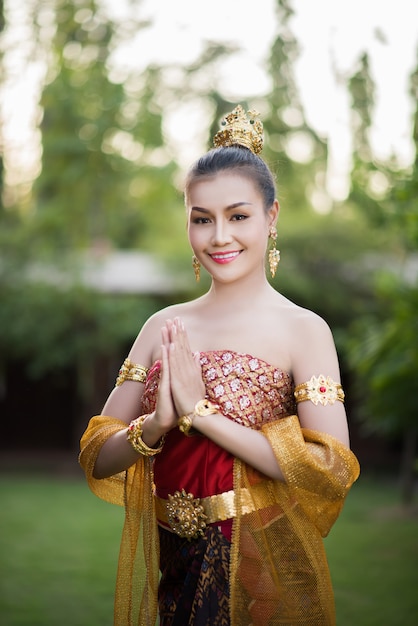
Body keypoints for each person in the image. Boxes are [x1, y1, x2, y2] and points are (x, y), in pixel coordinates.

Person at [79, 105, 360, 626]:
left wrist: (203, 414)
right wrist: (158, 424)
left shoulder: (304, 330)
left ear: (271, 216)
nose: (219, 237)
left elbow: (330, 468)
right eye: (202, 219)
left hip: (261, 567)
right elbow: (98, 456)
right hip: (175, 565)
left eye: (238, 216)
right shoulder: (161, 325)